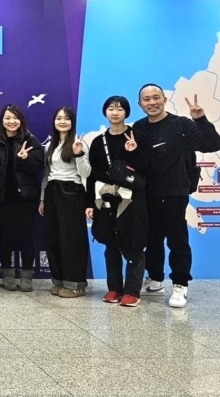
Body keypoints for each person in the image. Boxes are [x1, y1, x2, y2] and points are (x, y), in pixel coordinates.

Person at [132, 83, 220, 308]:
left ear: (164, 99)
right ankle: (155, 280)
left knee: (177, 239)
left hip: (175, 192)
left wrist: (200, 120)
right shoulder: (138, 128)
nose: (152, 102)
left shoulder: (181, 124)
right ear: (140, 104)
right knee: (151, 239)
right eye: (146, 99)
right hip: (147, 193)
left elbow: (212, 145)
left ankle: (180, 285)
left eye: (156, 97)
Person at [87, 96, 148, 307]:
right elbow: (92, 175)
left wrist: (135, 151)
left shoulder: (137, 136)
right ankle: (114, 288)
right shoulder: (98, 141)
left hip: (132, 200)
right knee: (110, 244)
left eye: (120, 109)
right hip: (106, 200)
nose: (115, 112)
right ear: (105, 112)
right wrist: (90, 203)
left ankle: (132, 291)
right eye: (111, 108)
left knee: (134, 244)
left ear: (127, 112)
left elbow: (147, 169)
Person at [0, 104, 44, 292]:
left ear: (21, 120)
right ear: (2, 120)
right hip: (2, 198)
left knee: (26, 236)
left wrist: (26, 159)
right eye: (8, 118)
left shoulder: (31, 140)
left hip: (26, 197)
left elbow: (38, 168)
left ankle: (27, 275)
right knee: (5, 236)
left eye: (15, 118)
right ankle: (7, 274)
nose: (11, 121)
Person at [39, 106, 91, 298]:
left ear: (72, 122)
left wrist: (79, 154)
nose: (62, 121)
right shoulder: (49, 146)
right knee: (54, 238)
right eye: (59, 118)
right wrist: (42, 199)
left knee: (72, 239)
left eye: (67, 118)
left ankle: (76, 284)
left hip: (72, 192)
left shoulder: (79, 143)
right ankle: (59, 280)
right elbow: (46, 174)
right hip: (52, 192)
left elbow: (86, 173)